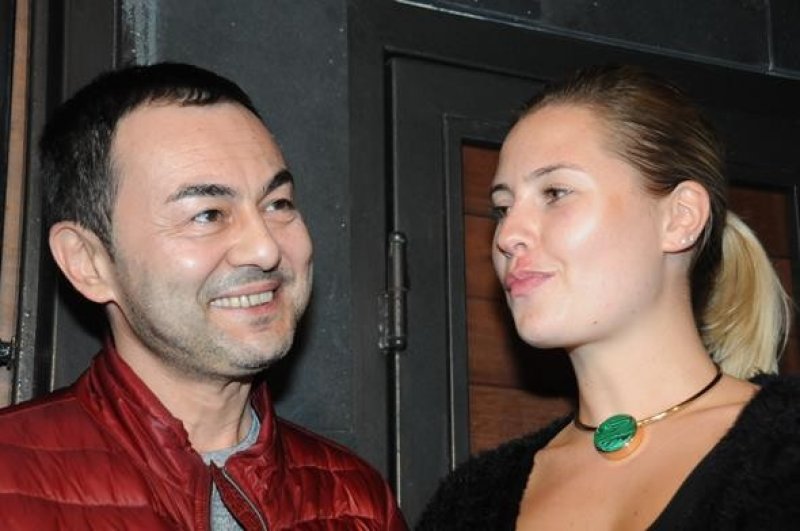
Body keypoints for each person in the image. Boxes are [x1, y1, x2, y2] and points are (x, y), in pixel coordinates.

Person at [0, 62, 407, 530]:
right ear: (88, 262)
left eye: (277, 204)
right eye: (208, 214)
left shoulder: (356, 503)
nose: (265, 248)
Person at [417, 64, 800, 529]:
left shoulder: (787, 450)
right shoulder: (467, 504)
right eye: (502, 208)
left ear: (680, 218)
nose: (507, 235)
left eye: (555, 192)